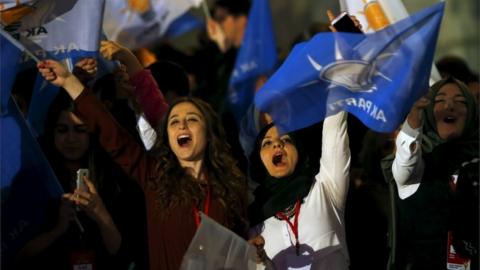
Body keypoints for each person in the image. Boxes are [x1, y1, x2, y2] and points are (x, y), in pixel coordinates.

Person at [36, 59, 248, 270]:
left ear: (209, 134)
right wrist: (68, 82)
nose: (181, 124)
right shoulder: (155, 177)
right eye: (174, 121)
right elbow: (113, 135)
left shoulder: (231, 189)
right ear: (168, 136)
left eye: (192, 119)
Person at [382, 77, 479, 270]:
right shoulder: (416, 162)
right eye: (439, 100)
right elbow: (406, 161)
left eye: (460, 101)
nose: (449, 106)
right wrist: (414, 118)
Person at [247, 110, 351, 269]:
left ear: (299, 151)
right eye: (267, 143)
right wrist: (260, 260)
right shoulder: (254, 223)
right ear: (258, 160)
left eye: (286, 139)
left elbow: (334, 127)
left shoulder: (324, 189)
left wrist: (338, 88)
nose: (277, 144)